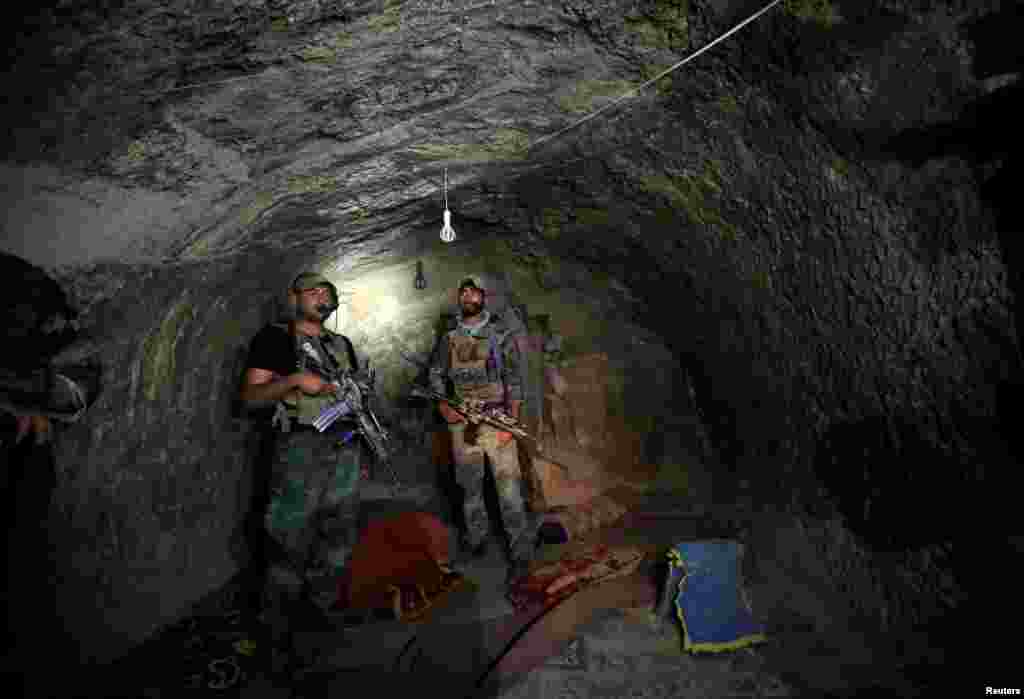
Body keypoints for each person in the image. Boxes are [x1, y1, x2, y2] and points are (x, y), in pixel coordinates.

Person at [239, 272, 365, 630]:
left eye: (326, 291)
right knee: (288, 537)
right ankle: (276, 623)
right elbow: (250, 398)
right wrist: (294, 381)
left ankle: (321, 610)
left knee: (338, 533)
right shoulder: (275, 338)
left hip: (344, 446)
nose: (319, 296)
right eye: (311, 290)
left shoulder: (342, 344)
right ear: (295, 297)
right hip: (300, 448)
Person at [428, 275, 536, 585]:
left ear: (483, 297)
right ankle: (477, 541)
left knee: (509, 491)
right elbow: (435, 375)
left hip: (496, 421)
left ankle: (521, 553)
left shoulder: (500, 334)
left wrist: (511, 426)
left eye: (473, 292)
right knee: (470, 489)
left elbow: (515, 382)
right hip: (463, 425)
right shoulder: (448, 338)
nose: (468, 296)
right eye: (463, 292)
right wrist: (442, 406)